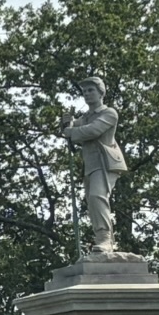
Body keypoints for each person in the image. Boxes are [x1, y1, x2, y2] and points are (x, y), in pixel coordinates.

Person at [64, 73, 127, 251]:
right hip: (90, 165)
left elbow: (93, 130)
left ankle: (105, 239)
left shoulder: (109, 113)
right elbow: (73, 127)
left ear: (101, 93)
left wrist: (71, 132)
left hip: (105, 162)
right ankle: (102, 238)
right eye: (84, 91)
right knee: (92, 203)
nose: (87, 94)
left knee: (97, 197)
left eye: (91, 90)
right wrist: (67, 124)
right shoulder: (85, 117)